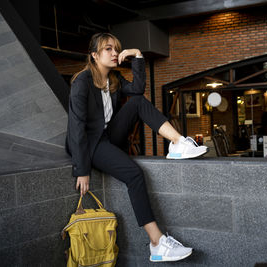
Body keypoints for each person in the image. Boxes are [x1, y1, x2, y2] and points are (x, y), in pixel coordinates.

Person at [65, 32, 208, 262]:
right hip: (91, 144)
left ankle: (178, 143)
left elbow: (139, 89)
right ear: (94, 55)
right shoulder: (81, 82)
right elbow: (76, 127)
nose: (114, 53)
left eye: (116, 49)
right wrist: (81, 169)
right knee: (134, 175)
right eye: (108, 49)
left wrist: (137, 55)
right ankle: (156, 242)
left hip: (108, 137)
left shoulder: (114, 80)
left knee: (138, 102)